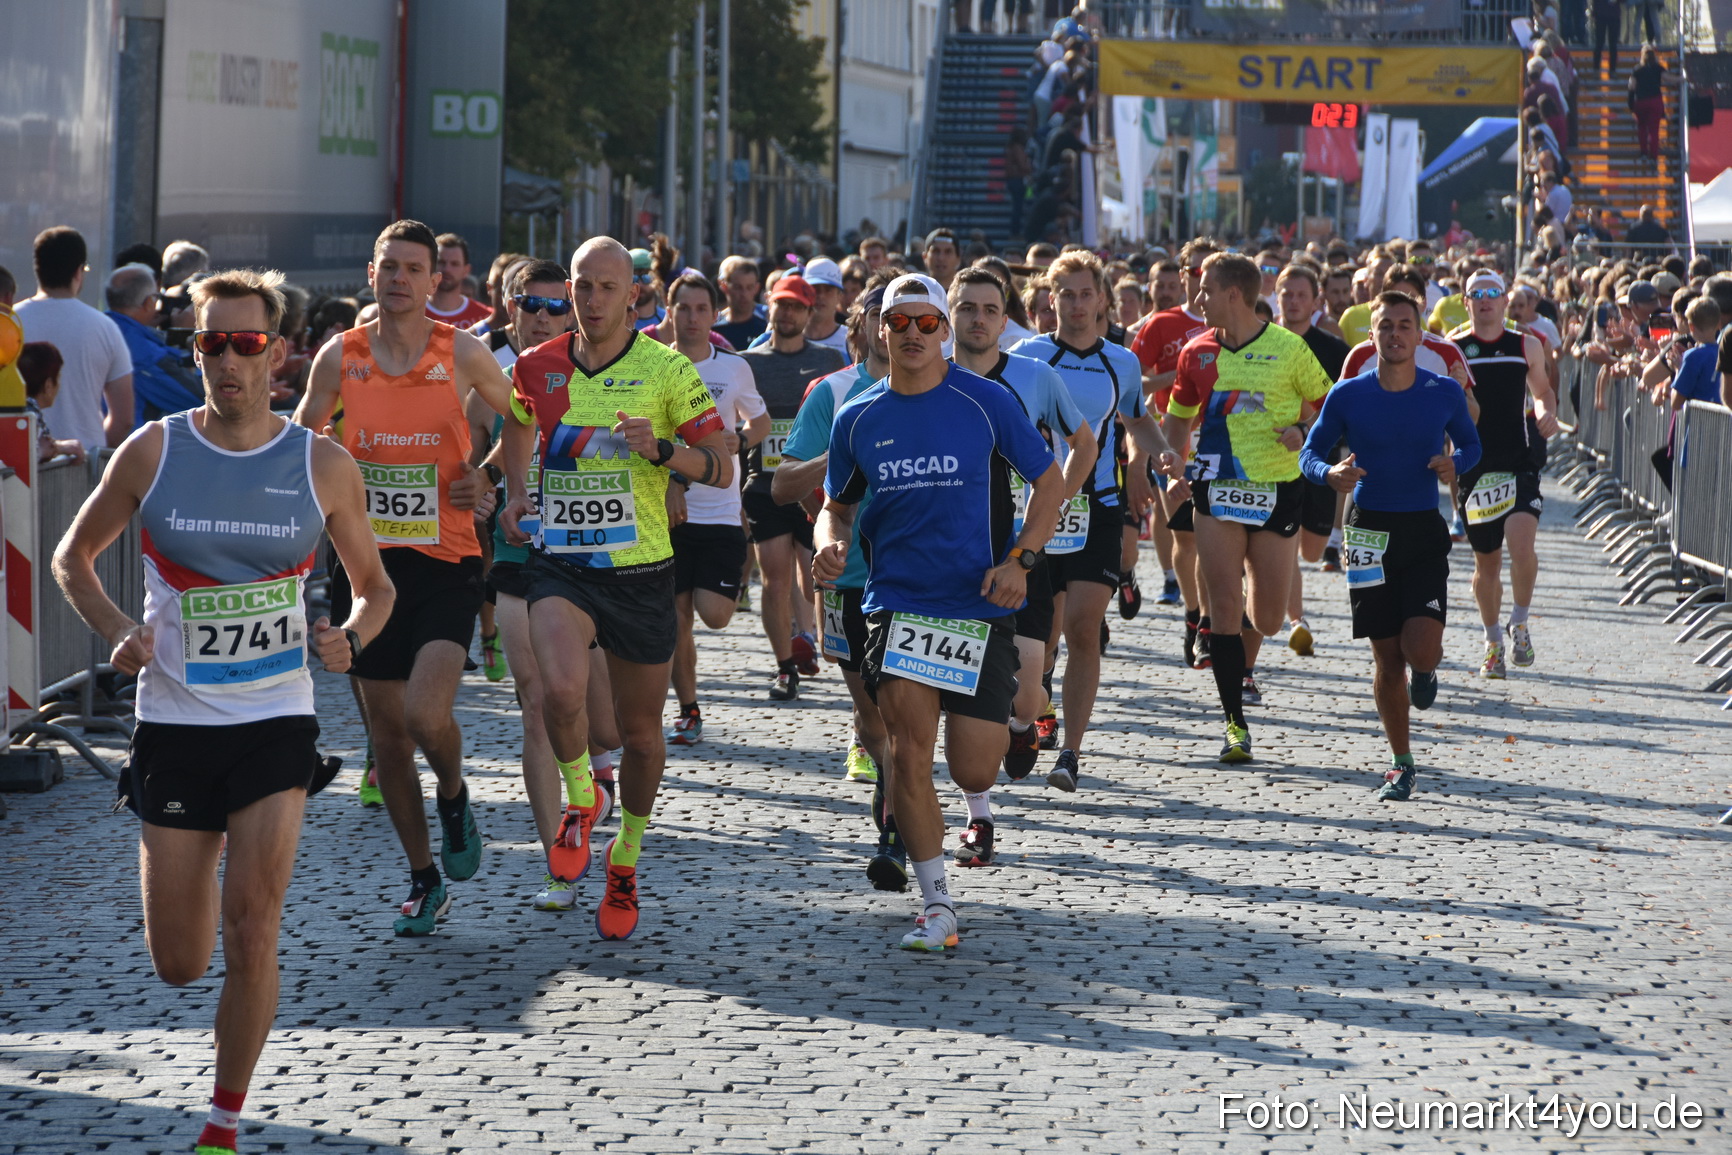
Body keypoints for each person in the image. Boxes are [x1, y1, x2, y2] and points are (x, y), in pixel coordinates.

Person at [52, 267, 394, 1155]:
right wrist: (121, 628)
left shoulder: (320, 462)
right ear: (194, 348)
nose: (229, 360)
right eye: (212, 343)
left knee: (255, 923)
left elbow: (376, 588)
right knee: (181, 960)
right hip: (173, 723)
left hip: (277, 719)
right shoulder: (154, 451)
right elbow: (71, 557)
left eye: (247, 344)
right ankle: (192, 862)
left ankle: (222, 1121)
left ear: (277, 353)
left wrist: (348, 637)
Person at [814, 273, 1062, 951]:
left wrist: (1023, 562)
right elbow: (836, 506)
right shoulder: (857, 417)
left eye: (928, 324)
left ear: (944, 333)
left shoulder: (986, 401)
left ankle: (1014, 723)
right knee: (907, 753)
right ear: (876, 330)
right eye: (901, 324)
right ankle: (936, 903)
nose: (915, 335)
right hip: (897, 604)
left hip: (979, 605)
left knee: (974, 769)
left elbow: (1050, 481)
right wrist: (830, 545)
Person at [499, 236, 733, 941]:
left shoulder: (664, 370)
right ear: (568, 290)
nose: (592, 299)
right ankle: (579, 798)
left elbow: (721, 466)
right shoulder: (537, 366)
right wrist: (515, 491)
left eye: (607, 287)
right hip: (561, 565)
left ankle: (625, 854)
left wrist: (662, 450)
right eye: (581, 286)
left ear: (633, 295)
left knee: (640, 735)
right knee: (557, 692)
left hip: (641, 571)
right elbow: (514, 423)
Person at [295, 219, 516, 935]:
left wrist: (484, 479)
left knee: (426, 714)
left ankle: (453, 793)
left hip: (447, 561)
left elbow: (525, 416)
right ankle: (424, 877)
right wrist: (328, 477)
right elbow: (304, 439)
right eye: (388, 265)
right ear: (371, 272)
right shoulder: (341, 355)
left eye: (412, 268)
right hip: (365, 568)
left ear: (434, 281)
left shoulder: (463, 352)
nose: (398, 278)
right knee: (388, 736)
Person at [1300, 291, 1480, 801]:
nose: (1396, 335)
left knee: (1420, 648)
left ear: (1420, 336)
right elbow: (1311, 453)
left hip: (1422, 527)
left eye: (1405, 326)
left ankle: (1425, 671)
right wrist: (1328, 472)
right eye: (1386, 327)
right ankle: (1401, 763)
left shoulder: (1443, 391)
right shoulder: (1349, 395)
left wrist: (1456, 464)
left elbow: (1471, 443)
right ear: (1372, 335)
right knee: (1385, 656)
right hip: (1366, 530)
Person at [1156, 252, 1332, 762]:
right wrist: (1173, 461)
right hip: (1215, 489)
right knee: (1225, 609)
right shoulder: (1195, 352)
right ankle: (1235, 724)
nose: (1196, 300)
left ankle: (1252, 644)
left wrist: (1303, 431)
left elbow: (1329, 407)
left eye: (1205, 290)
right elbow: (1178, 417)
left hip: (1278, 489)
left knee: (1271, 618)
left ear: (1234, 294)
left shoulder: (1290, 348)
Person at [1011, 250, 1165, 791]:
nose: (1076, 305)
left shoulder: (1121, 361)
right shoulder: (1027, 357)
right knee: (1044, 636)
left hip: (1098, 506)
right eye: (1066, 295)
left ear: (1103, 299)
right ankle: (1032, 706)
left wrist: (1161, 452)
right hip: (1038, 506)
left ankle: (1071, 752)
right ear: (1050, 301)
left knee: (1082, 629)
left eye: (1085, 294)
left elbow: (1136, 421)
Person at [948, 267, 1097, 794]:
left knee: (1027, 689)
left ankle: (1019, 728)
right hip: (952, 549)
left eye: (990, 310)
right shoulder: (927, 375)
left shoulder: (1036, 377)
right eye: (967, 308)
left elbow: (1084, 442)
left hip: (1023, 549)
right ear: (950, 316)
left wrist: (1059, 499)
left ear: (1005, 320)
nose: (978, 319)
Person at [774, 281, 898, 887]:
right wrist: (841, 456)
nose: (893, 325)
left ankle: (898, 829)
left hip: (920, 580)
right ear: (863, 323)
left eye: (909, 315)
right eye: (881, 314)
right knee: (873, 716)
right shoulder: (833, 394)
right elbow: (782, 486)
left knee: (909, 713)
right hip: (848, 579)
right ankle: (885, 774)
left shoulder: (945, 390)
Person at [666, 272, 770, 745]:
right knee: (675, 617)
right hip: (667, 511)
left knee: (715, 614)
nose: (691, 318)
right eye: (683, 308)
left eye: (700, 309)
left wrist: (740, 440)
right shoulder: (654, 366)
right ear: (670, 312)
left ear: (715, 314)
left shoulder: (733, 367)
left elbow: (761, 421)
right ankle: (688, 708)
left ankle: (688, 701)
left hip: (722, 511)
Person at [1445, 269, 1559, 678]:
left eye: (1493, 293)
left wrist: (1546, 414)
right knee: (1486, 565)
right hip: (1475, 467)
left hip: (1518, 460)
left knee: (1522, 546)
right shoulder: (1453, 349)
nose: (1485, 300)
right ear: (1466, 301)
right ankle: (1493, 640)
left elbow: (1542, 390)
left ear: (1505, 300)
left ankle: (1521, 622)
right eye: (1477, 294)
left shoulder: (1525, 344)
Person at [740, 274, 845, 699]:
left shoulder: (829, 360)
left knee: (811, 578)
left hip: (811, 487)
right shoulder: (748, 361)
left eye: (796, 307)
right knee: (773, 578)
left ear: (809, 311)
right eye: (780, 305)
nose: (787, 314)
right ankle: (784, 665)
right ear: (771, 307)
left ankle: (813, 636)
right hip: (764, 485)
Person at [1130, 238, 1217, 662]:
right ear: (1182, 275)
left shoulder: (1235, 323)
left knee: (1219, 537)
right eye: (1194, 270)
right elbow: (1134, 384)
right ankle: (1194, 611)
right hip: (1174, 440)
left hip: (1226, 443)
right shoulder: (1160, 324)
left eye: (1209, 271)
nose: (1201, 278)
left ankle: (1212, 620)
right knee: (1186, 536)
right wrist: (1179, 375)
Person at [1275, 265, 1350, 661]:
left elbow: (1339, 408)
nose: (1293, 301)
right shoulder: (1263, 341)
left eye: (1301, 295)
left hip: (1318, 457)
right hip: (1271, 461)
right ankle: (1296, 621)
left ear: (1316, 301)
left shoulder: (1333, 349)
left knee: (1310, 550)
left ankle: (1291, 609)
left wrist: (1305, 429)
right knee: (1284, 544)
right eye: (1286, 293)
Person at [14, 226, 134, 451]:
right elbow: (124, 418)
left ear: (37, 269)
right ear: (79, 271)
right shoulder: (105, 328)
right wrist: (94, 458)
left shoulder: (10, 324)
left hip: (18, 464)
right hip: (83, 462)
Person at [105, 262, 203, 426]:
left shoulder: (100, 331)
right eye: (157, 298)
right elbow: (199, 399)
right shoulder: (146, 353)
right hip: (127, 445)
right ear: (148, 302)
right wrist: (184, 337)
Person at [16, 342, 89, 462]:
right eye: (58, 378)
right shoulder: (29, 412)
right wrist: (52, 449)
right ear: (48, 385)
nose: (59, 385)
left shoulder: (14, 408)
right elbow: (25, 454)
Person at [426, 233, 492, 328]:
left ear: (466, 270)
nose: (447, 269)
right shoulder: (412, 312)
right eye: (441, 262)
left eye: (454, 264)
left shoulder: (485, 317)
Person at [714, 255, 769, 350]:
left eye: (749, 287)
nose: (744, 294)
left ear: (757, 288)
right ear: (724, 286)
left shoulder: (767, 323)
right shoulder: (714, 328)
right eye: (738, 287)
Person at [1005, 126, 1033, 240]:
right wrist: (1029, 167)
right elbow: (1023, 165)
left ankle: (1015, 232)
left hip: (1013, 180)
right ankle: (1016, 233)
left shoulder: (1009, 148)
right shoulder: (1017, 148)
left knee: (1018, 207)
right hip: (1018, 181)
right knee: (1019, 207)